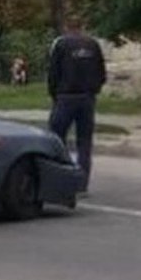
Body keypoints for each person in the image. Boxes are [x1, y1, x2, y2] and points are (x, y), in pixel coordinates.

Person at [48, 15, 106, 194]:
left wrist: (54, 94)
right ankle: (82, 185)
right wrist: (94, 90)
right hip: (87, 98)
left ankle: (60, 180)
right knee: (84, 142)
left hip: (66, 97)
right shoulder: (93, 45)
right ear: (82, 26)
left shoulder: (61, 44)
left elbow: (53, 72)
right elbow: (102, 73)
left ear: (67, 26)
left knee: (56, 138)